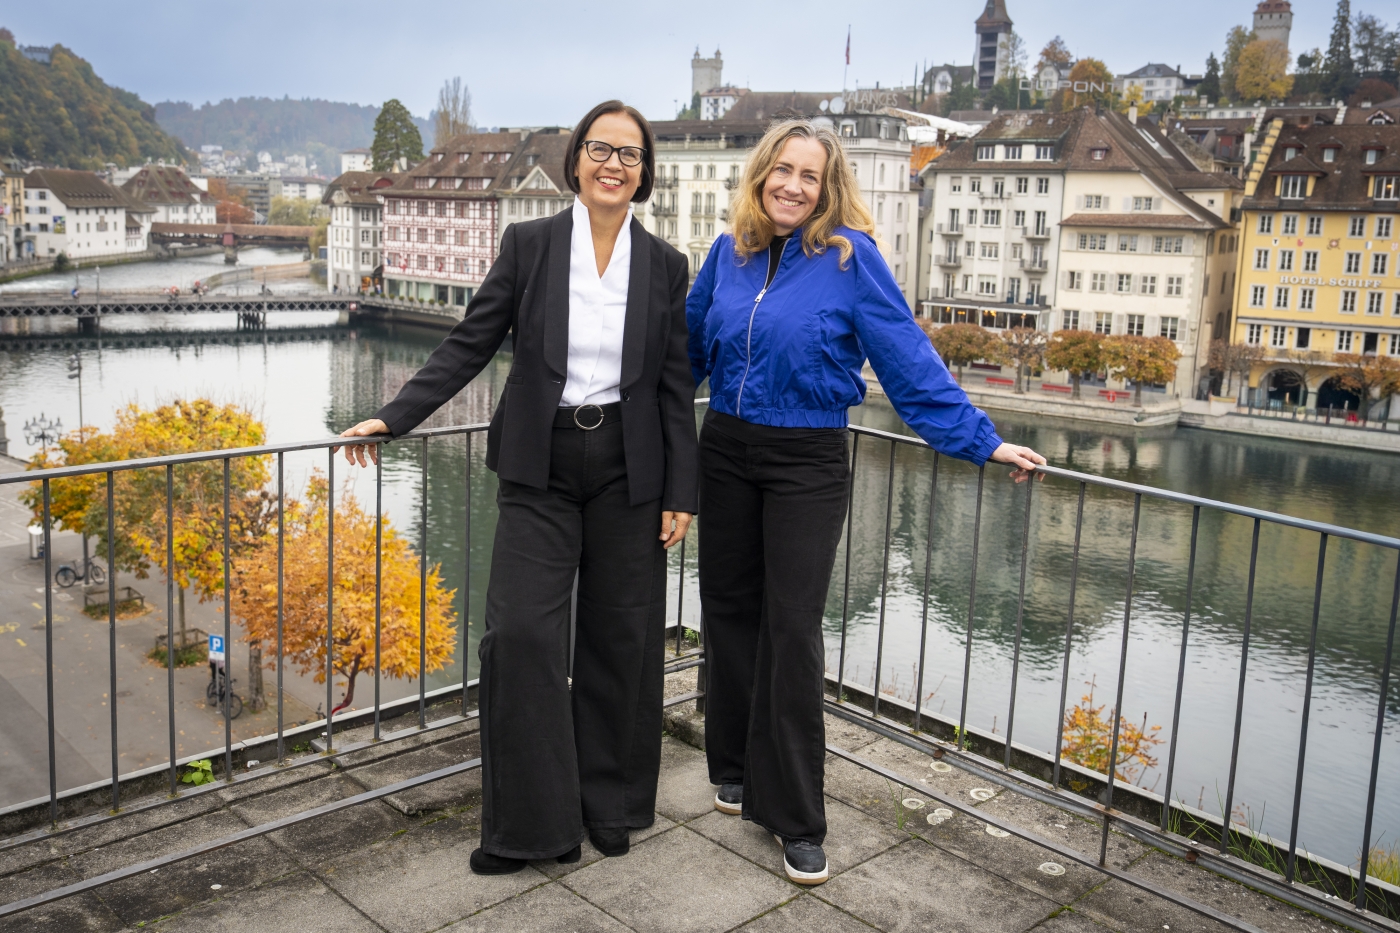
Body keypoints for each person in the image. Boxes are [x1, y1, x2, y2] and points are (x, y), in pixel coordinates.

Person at [338, 100, 697, 874]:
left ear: (644, 175)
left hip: (632, 474)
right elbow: (472, 339)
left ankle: (611, 804)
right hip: (542, 464)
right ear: (576, 161)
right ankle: (531, 827)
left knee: (619, 642)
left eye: (630, 155)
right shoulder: (531, 244)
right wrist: (393, 417)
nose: (613, 164)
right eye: (601, 149)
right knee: (523, 637)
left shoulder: (666, 264)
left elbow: (673, 386)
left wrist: (683, 491)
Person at [685, 119, 1045, 886]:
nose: (792, 185)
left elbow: (908, 359)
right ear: (760, 176)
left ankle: (796, 818)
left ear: (828, 187)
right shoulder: (728, 254)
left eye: (808, 176)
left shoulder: (853, 259)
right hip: (724, 447)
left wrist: (982, 440)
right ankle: (737, 768)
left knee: (792, 629)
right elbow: (682, 359)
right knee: (730, 612)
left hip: (806, 459)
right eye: (781, 170)